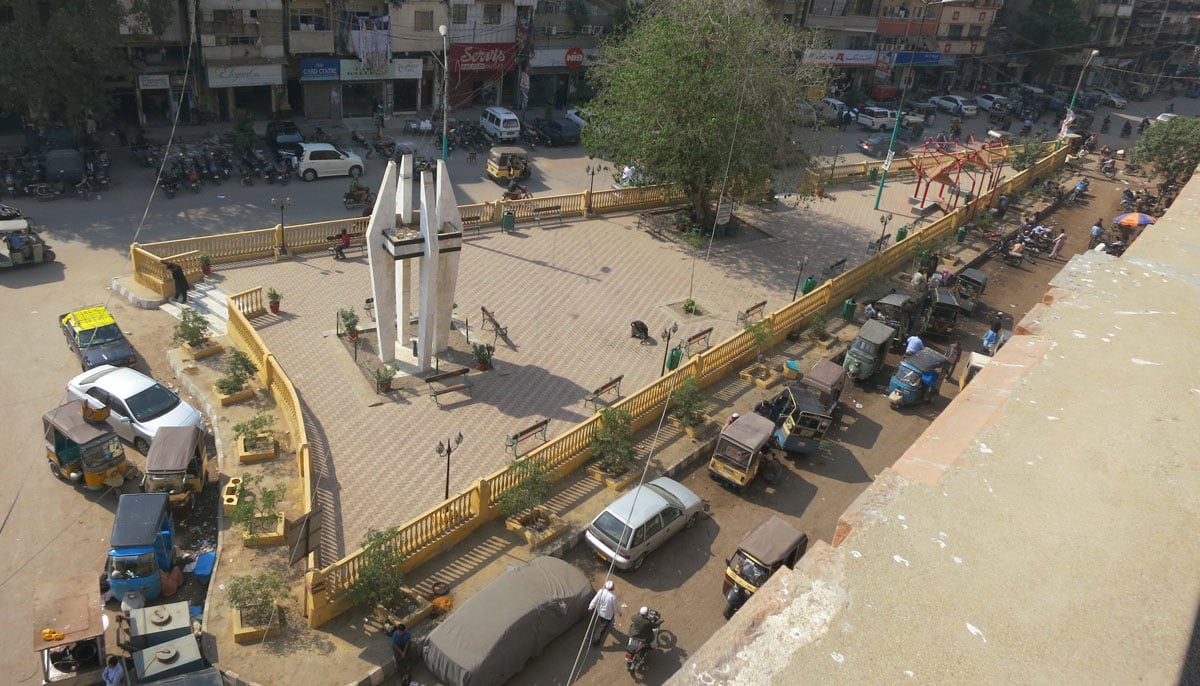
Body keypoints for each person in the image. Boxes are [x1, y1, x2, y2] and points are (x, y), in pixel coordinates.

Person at [588, 580, 620, 646]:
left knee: (602, 622)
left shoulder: (601, 591)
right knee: (601, 629)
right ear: (612, 587)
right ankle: (595, 641)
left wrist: (591, 606)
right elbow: (615, 607)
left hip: (600, 612)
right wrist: (619, 612)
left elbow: (595, 599)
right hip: (607, 616)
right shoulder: (613, 597)